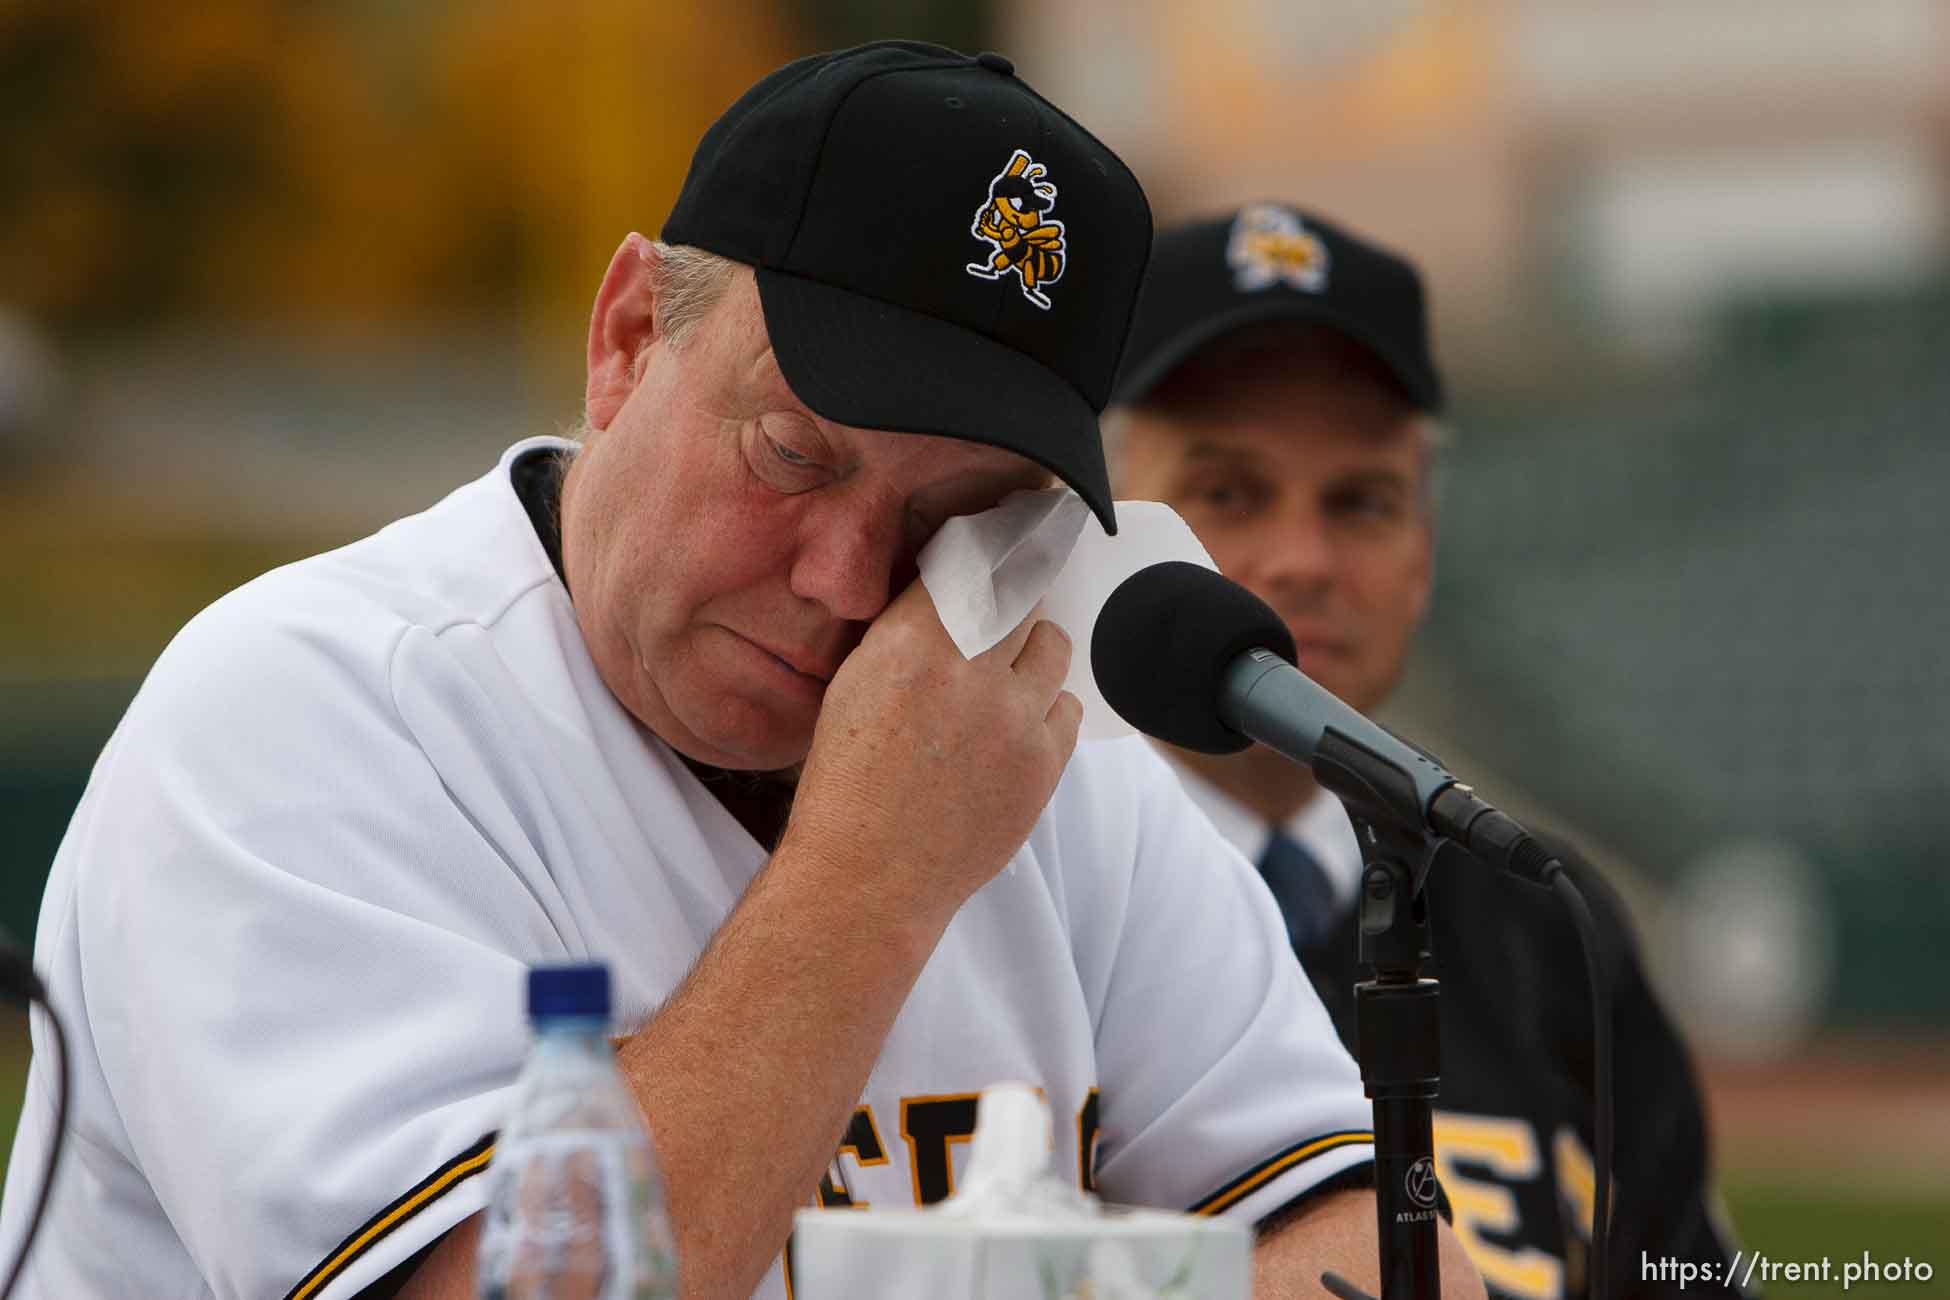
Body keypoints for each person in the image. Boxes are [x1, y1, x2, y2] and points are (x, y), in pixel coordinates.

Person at [0, 47, 1484, 1300]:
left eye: (953, 513)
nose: (847, 579)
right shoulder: (306, 715)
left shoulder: (1030, 737)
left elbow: (1359, 1230)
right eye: (791, 453)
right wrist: (871, 875)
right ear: (629, 339)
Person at [1107, 204, 1746, 1299]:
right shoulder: (1000, 898)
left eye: (1361, 501)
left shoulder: (1543, 916)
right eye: (1228, 492)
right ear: (1104, 519)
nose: (1301, 558)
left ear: (1424, 557)